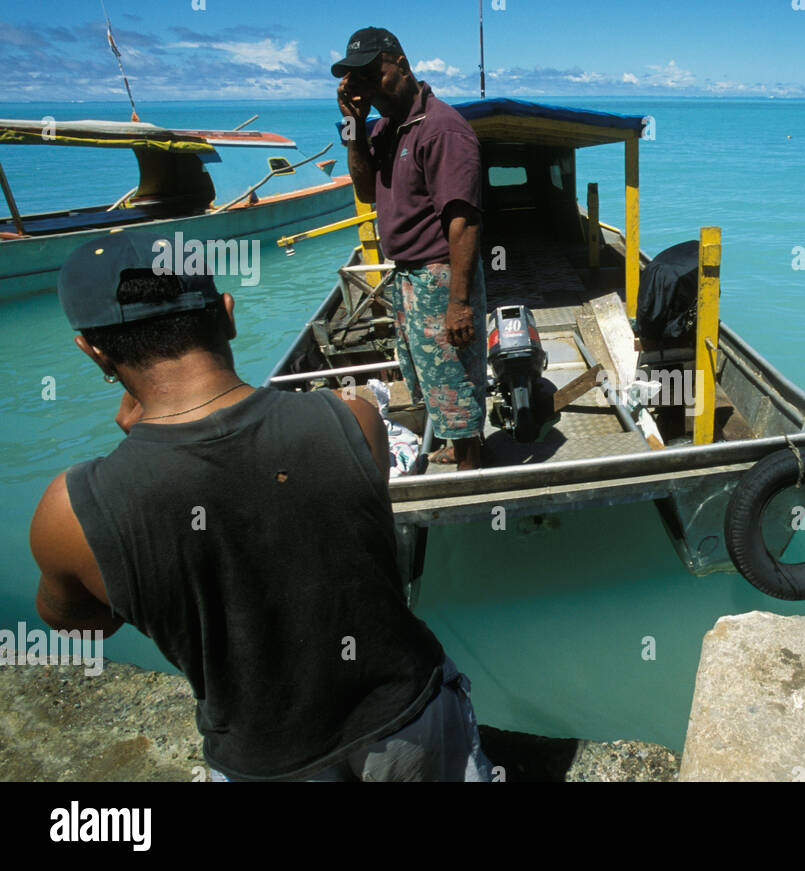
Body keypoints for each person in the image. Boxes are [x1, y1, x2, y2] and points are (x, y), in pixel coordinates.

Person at [29, 231, 493, 782]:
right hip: (406, 722)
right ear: (227, 314)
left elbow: (83, 626)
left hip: (264, 756)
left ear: (93, 350)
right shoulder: (352, 419)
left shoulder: (70, 512)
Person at [334, 27, 486, 471]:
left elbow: (463, 220)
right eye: (355, 79)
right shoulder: (385, 129)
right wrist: (354, 125)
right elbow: (364, 187)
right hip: (406, 276)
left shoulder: (441, 129)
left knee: (454, 377)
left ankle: (470, 470)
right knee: (428, 375)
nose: (366, 85)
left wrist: (458, 303)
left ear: (400, 62)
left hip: (440, 274)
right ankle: (461, 450)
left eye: (372, 73)